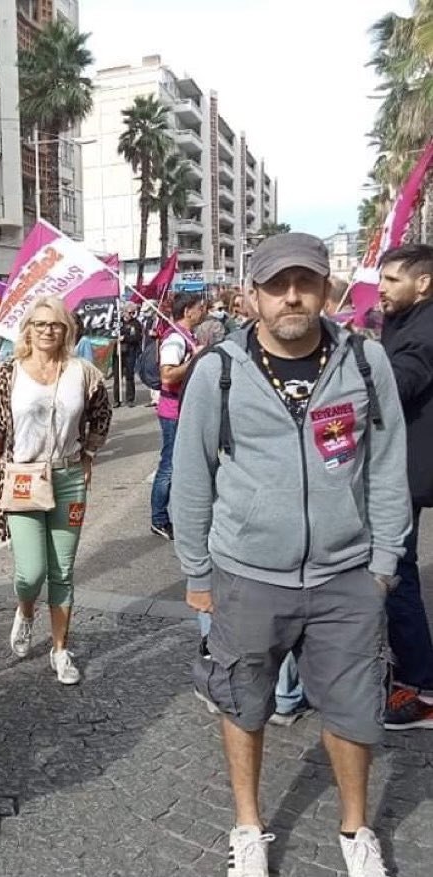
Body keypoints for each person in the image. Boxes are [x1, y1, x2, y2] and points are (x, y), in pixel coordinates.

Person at [171, 232, 411, 877]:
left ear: (327, 289)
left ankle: (356, 829)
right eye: (277, 285)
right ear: (253, 295)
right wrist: (197, 572)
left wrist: (384, 563)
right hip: (246, 576)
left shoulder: (365, 361)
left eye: (305, 282)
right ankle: (248, 826)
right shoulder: (219, 371)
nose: (292, 296)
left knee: (354, 709)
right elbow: (191, 476)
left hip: (347, 575)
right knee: (242, 704)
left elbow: (387, 465)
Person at [0, 296, 112, 685]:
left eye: (55, 324)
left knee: (62, 571)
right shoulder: (7, 374)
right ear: (28, 329)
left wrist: (88, 454)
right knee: (32, 571)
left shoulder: (83, 372)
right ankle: (26, 610)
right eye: (40, 323)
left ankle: (60, 650)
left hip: (68, 477)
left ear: (67, 330)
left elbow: (102, 415)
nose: (47, 330)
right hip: (23, 478)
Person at [378, 243, 433, 729]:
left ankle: (420, 688)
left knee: (396, 572)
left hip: (409, 471)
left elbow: (398, 382)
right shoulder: (403, 320)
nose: (381, 288)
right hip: (406, 467)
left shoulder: (424, 328)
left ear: (423, 283)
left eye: (392, 279)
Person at [150, 293, 206, 540]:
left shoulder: (188, 336)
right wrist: (196, 358)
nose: (203, 312)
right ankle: (159, 519)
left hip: (186, 409)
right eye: (199, 308)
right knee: (169, 466)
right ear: (187, 311)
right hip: (174, 412)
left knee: (182, 465)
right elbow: (168, 375)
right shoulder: (175, 339)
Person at [113, 302, 143, 407]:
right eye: (130, 312)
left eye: (133, 313)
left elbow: (138, 337)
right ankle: (117, 399)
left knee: (129, 376)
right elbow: (112, 334)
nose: (131, 314)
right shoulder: (118, 322)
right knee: (117, 377)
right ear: (124, 312)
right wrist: (116, 337)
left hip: (130, 352)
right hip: (118, 353)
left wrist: (125, 338)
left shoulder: (136, 323)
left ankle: (130, 399)